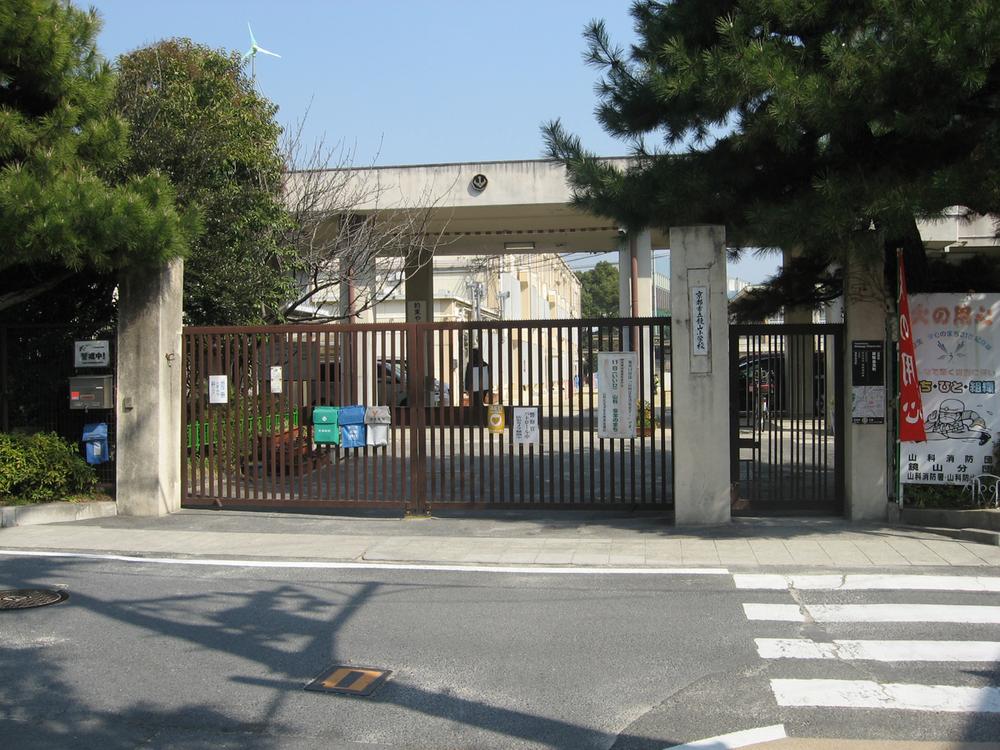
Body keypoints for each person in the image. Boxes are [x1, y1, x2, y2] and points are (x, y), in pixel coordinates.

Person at [464, 348, 491, 426]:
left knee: (475, 404)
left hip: (473, 388)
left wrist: (467, 388)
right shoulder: (485, 364)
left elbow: (467, 376)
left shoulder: (470, 364)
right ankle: (483, 420)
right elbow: (489, 377)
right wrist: (489, 388)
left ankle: (477, 421)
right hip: (483, 387)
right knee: (480, 403)